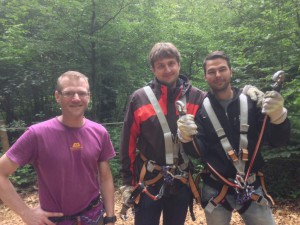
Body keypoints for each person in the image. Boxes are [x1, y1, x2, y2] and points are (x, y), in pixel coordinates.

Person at [177, 51, 290, 225]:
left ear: (231, 71)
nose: (218, 75)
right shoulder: (202, 110)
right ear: (205, 76)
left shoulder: (252, 102)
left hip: (251, 185)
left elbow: (277, 141)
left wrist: (279, 118)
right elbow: (198, 151)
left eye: (222, 69)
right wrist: (186, 138)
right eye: (212, 71)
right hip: (216, 189)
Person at [0, 71, 117, 225]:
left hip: (94, 217)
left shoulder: (99, 132)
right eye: (69, 93)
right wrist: (26, 213)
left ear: (89, 96)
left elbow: (105, 177)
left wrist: (110, 217)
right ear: (57, 96)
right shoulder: (37, 134)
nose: (76, 98)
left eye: (81, 93)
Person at [119, 42, 206, 225]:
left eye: (171, 63)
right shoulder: (140, 98)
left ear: (178, 65)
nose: (167, 69)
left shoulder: (197, 97)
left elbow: (214, 125)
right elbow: (128, 142)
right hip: (149, 180)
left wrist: (245, 93)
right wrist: (128, 181)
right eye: (161, 65)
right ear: (153, 69)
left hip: (181, 179)